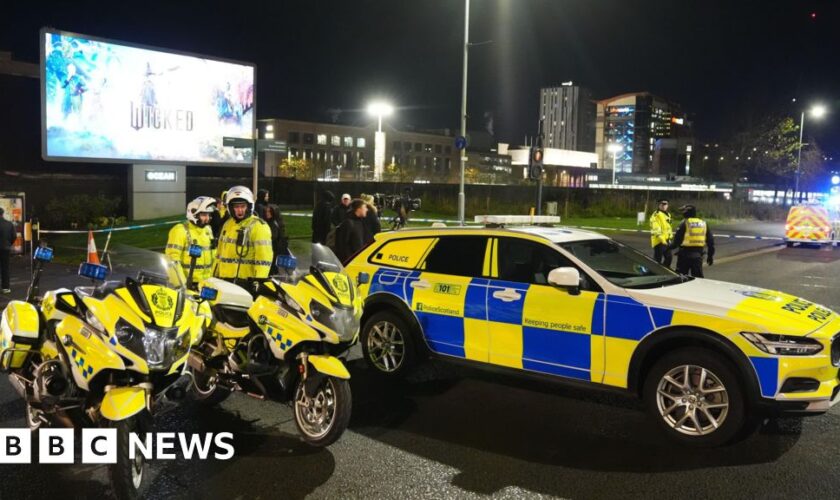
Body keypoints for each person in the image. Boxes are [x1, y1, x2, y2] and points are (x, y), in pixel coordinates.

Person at [215, 186, 274, 282]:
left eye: (243, 206)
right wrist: (215, 275)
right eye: (236, 207)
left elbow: (264, 258)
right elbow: (219, 255)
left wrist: (258, 281)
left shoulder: (258, 226)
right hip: (224, 280)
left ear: (249, 206)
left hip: (245, 282)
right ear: (231, 208)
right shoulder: (227, 224)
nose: (240, 210)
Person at [165, 197, 216, 287]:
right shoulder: (180, 230)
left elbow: (213, 255)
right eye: (204, 215)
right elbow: (172, 259)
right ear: (193, 214)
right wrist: (181, 283)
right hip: (187, 283)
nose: (207, 218)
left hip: (207, 283)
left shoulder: (207, 230)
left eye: (208, 215)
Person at [670, 204, 715, 278]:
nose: (682, 213)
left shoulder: (684, 223)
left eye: (684, 211)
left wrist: (667, 248)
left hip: (684, 256)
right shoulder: (703, 223)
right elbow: (711, 242)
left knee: (681, 279)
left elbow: (676, 242)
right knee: (698, 279)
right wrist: (710, 256)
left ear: (688, 212)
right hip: (698, 256)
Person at [263, 204, 289, 273]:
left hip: (275, 249)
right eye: (266, 212)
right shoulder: (266, 222)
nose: (267, 214)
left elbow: (274, 236)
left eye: (269, 212)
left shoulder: (274, 223)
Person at [649, 199, 673, 268]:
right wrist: (662, 240)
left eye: (665, 204)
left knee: (669, 258)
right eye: (662, 204)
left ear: (667, 206)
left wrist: (670, 237)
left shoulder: (668, 214)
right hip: (659, 241)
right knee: (657, 260)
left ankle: (664, 271)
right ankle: (656, 272)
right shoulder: (656, 215)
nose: (664, 206)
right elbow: (656, 229)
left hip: (666, 240)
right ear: (659, 205)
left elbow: (668, 227)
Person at [0, 208, 16, 294]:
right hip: (5, 249)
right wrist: (9, 244)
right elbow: (14, 236)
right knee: (5, 268)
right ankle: (5, 288)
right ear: (2, 214)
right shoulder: (9, 224)